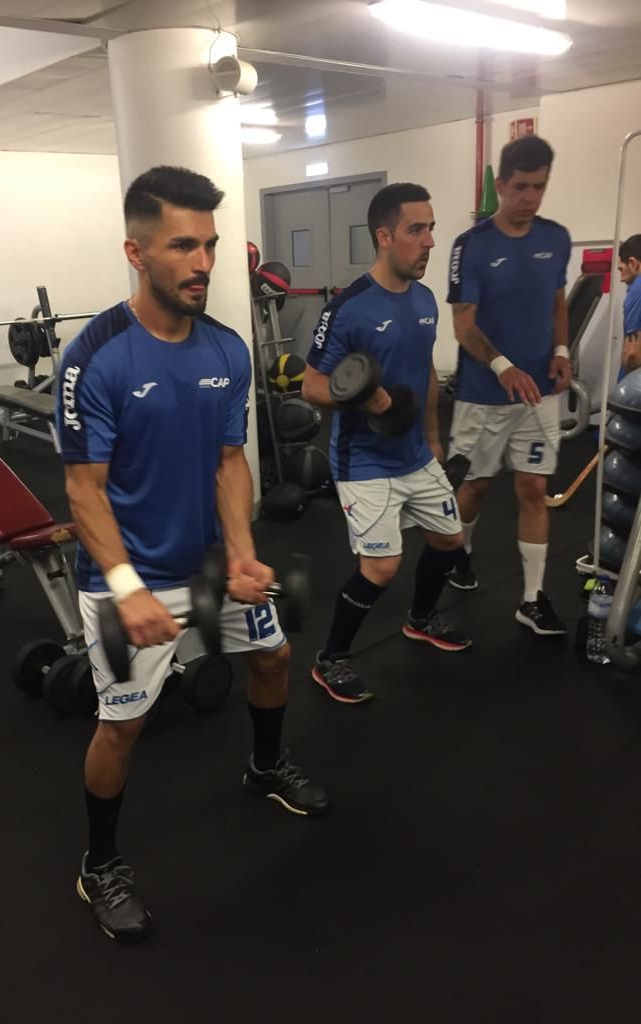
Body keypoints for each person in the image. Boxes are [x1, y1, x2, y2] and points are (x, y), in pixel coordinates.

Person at [56, 165, 328, 944]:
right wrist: (126, 586)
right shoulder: (95, 358)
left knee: (274, 657)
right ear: (137, 253)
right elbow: (83, 491)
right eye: (182, 246)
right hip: (127, 576)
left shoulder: (227, 348)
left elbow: (229, 463)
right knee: (123, 727)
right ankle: (99, 865)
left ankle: (265, 768)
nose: (203, 262)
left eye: (209, 244)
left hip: (207, 565)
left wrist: (241, 553)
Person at [302, 183, 471, 706]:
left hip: (415, 454)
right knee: (381, 568)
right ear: (384, 236)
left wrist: (433, 437)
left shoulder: (424, 300)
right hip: (364, 461)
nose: (430, 241)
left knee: (451, 540)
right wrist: (364, 398)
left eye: (431, 228)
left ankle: (419, 619)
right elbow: (311, 385)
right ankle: (331, 657)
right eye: (416, 230)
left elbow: (425, 373)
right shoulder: (347, 307)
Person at [445, 135, 572, 637]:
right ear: (500, 185)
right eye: (521, 187)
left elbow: (558, 303)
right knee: (475, 485)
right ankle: (460, 553)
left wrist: (561, 352)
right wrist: (504, 367)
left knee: (534, 488)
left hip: (539, 393)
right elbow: (463, 325)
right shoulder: (472, 245)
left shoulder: (556, 238)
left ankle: (532, 598)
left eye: (539, 187)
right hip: (483, 394)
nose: (530, 198)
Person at [618, 234, 641, 374]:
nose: (621, 279)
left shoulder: (637, 290)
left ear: (633, 263)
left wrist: (625, 382)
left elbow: (633, 353)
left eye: (621, 269)